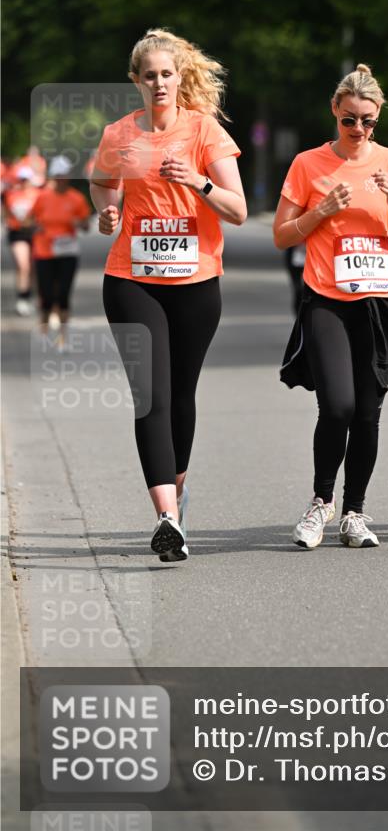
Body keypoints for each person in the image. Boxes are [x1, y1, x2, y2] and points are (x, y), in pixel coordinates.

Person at [90, 28, 246, 563]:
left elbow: (238, 209)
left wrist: (198, 183)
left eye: (167, 74)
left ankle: (175, 490)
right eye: (149, 75)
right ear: (136, 80)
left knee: (181, 394)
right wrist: (107, 209)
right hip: (131, 280)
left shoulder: (205, 133)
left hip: (196, 282)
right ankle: (167, 518)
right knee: (150, 396)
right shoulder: (119, 135)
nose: (158, 83)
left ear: (180, 79)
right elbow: (102, 182)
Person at [274, 64, 388, 550]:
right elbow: (281, 234)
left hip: (380, 303)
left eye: (368, 122)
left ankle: (355, 512)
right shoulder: (308, 164)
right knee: (336, 406)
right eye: (349, 120)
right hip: (327, 301)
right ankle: (320, 503)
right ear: (335, 113)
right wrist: (322, 211)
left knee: (367, 414)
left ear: (377, 119)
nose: (358, 130)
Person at [31, 156, 91, 344]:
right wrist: (35, 226)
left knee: (63, 292)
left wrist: (79, 223)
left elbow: (86, 225)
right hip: (44, 250)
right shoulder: (43, 197)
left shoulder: (77, 198)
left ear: (69, 177)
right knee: (46, 293)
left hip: (67, 251)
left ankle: (63, 335)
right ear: (53, 177)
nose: (61, 180)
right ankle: (44, 326)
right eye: (57, 176)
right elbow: (30, 220)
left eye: (64, 176)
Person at [2, 164, 40, 315]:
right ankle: (22, 298)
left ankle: (33, 295)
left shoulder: (38, 194)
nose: (24, 182)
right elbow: (5, 212)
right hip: (17, 233)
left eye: (27, 179)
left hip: (36, 234)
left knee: (34, 268)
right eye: (22, 179)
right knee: (23, 265)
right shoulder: (11, 195)